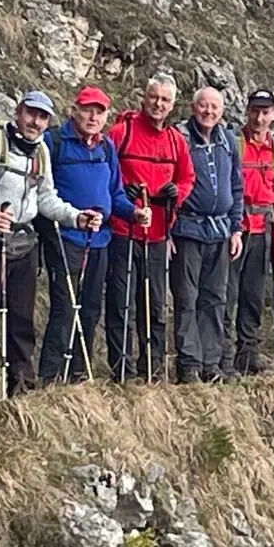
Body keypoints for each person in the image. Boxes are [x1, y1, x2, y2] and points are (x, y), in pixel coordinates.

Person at [0, 91, 101, 406]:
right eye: (31, 114)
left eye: (42, 117)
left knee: (22, 319)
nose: (35, 122)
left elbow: (46, 198)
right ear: (18, 112)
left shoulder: (40, 153)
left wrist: (75, 217)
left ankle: (20, 386)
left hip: (24, 244)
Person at [38, 87, 136, 385]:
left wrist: (133, 213)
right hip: (65, 236)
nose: (93, 116)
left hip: (100, 239)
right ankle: (51, 375)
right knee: (65, 307)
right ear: (74, 110)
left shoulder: (106, 147)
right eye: (87, 109)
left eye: (100, 111)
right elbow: (44, 192)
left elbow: (115, 194)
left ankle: (78, 373)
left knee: (91, 308)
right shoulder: (53, 142)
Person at [106, 74, 193, 382]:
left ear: (172, 105)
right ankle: (122, 371)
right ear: (144, 98)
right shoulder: (121, 133)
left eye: (165, 100)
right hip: (123, 231)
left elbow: (187, 178)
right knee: (121, 305)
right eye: (154, 97)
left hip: (158, 234)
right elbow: (104, 169)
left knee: (155, 306)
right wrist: (119, 192)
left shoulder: (175, 141)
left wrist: (176, 194)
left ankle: (153, 369)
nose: (158, 104)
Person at [171, 87, 242, 383]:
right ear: (193, 107)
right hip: (187, 229)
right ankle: (189, 364)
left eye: (214, 107)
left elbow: (237, 186)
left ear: (222, 111)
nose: (208, 112)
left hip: (221, 231)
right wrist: (168, 230)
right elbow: (169, 182)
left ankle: (211, 364)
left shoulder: (228, 140)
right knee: (187, 298)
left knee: (215, 298)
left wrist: (237, 228)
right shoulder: (180, 138)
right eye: (203, 106)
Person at [232, 91, 274, 375]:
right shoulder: (235, 144)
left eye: (266, 112)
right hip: (235, 229)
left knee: (253, 295)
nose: (260, 118)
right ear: (247, 111)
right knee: (226, 293)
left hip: (262, 230)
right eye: (255, 110)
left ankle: (248, 352)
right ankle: (220, 354)